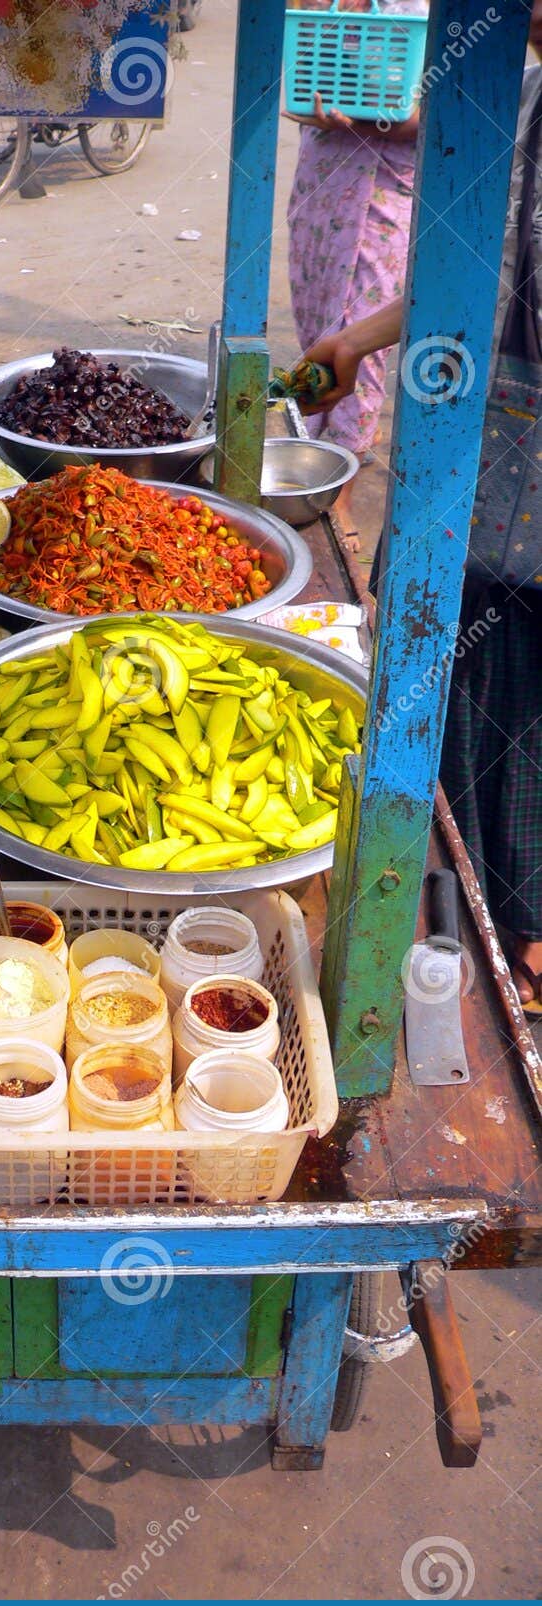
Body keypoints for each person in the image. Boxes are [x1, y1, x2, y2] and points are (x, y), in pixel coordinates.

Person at [298, 28, 542, 1016]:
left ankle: (521, 930)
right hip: (478, 470)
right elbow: (459, 258)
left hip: (505, 472)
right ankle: (479, 910)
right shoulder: (513, 96)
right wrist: (353, 339)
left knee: (521, 712)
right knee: (457, 680)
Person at [285, 1, 426, 553]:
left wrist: (359, 118)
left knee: (357, 347)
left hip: (380, 196)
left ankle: (338, 494)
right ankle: (308, 461)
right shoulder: (323, 6)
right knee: (319, 335)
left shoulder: (415, 13)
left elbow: (437, 119)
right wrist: (314, 110)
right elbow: (300, 90)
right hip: (320, 192)